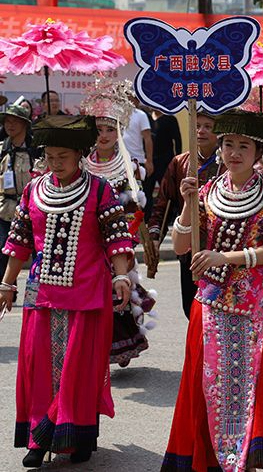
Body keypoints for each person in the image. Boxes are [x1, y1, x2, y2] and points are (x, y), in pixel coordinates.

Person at [1, 114, 134, 467]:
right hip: (40, 292)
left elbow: (117, 239)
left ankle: (77, 434)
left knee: (79, 366)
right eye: (50, 156)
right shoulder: (33, 190)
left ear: (79, 155)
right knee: (36, 364)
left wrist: (122, 277)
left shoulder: (100, 190)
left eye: (63, 156)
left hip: (87, 292)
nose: (55, 163)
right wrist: (7, 282)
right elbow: (20, 241)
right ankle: (37, 436)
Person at [163, 109, 263, 471]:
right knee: (207, 380)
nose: (234, 152)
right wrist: (188, 208)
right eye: (228, 144)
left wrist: (224, 257)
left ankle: (244, 457)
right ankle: (209, 458)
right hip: (212, 302)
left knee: (249, 383)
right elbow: (183, 246)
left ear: (258, 153)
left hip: (254, 303)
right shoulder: (207, 190)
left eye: (243, 146)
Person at [81, 82, 157, 367]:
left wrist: (126, 233)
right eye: (99, 129)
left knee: (117, 295)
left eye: (110, 129)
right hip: (86, 241)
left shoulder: (129, 167)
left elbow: (135, 207)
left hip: (117, 242)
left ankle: (118, 344)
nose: (104, 135)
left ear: (120, 131)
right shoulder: (80, 164)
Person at [148, 112, 224, 320]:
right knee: (191, 308)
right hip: (188, 247)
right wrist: (155, 237)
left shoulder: (228, 164)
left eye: (209, 126)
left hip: (221, 250)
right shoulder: (180, 163)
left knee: (218, 309)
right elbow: (163, 203)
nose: (201, 131)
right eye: (197, 125)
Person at [0, 98, 38, 282]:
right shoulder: (1, 150)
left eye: (15, 121)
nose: (10, 125)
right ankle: (6, 289)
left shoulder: (37, 151)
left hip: (33, 210)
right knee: (2, 250)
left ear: (25, 123)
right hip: (5, 210)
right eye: (7, 121)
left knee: (40, 253)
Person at [144, 107, 182, 220]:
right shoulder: (147, 118)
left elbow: (177, 140)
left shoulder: (170, 119)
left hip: (165, 160)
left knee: (167, 190)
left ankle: (171, 216)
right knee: (147, 190)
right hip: (150, 161)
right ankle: (147, 217)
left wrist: (177, 159)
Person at [122, 98, 154, 177]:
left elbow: (147, 138)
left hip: (137, 160)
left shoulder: (141, 115)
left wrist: (149, 161)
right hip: (119, 160)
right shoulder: (117, 114)